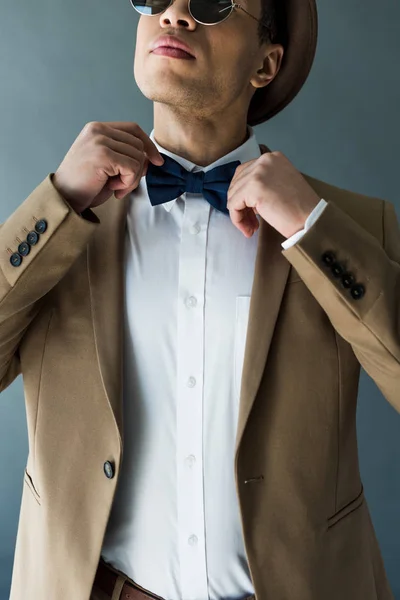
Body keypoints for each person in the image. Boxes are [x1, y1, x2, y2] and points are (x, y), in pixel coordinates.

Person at [0, 0, 399, 598]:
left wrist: (311, 228)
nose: (176, 14)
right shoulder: (60, 224)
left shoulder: (351, 229)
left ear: (266, 63)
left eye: (213, 3)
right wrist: (57, 201)